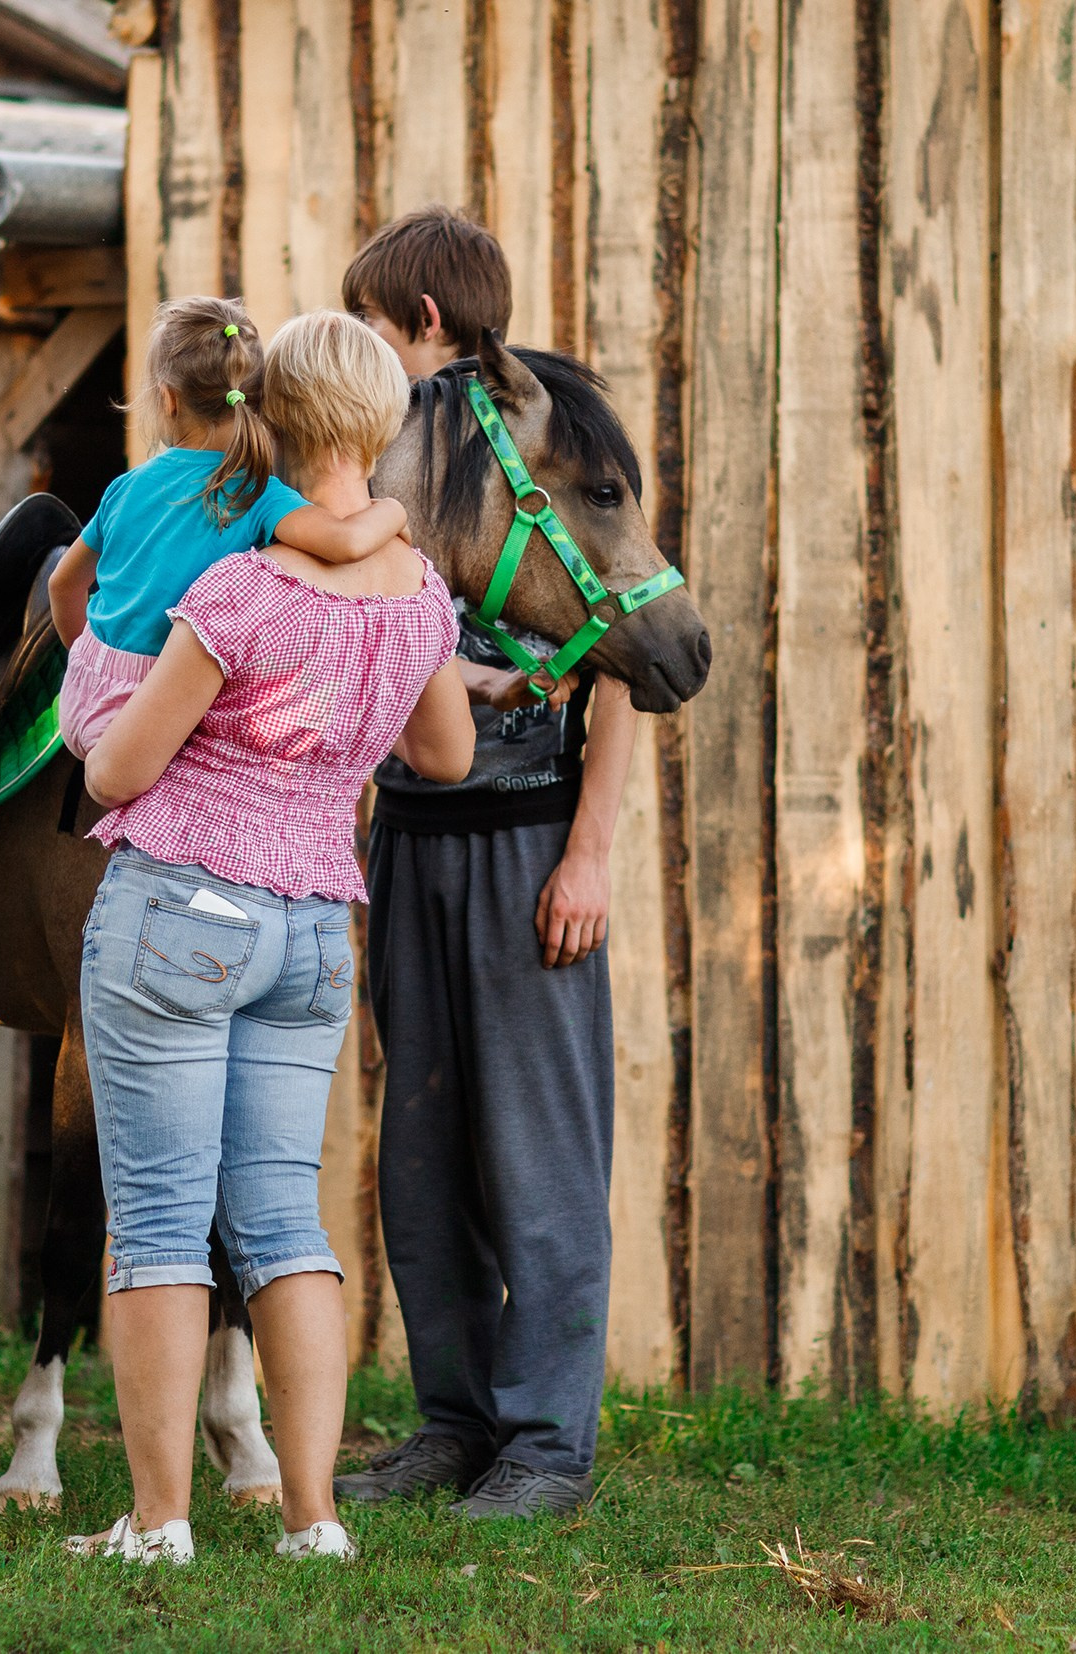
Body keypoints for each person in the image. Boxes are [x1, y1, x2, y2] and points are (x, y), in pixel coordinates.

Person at [64, 313, 477, 1564]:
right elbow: (445, 755)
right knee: (284, 1221)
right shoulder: (417, 594)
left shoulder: (237, 589)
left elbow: (115, 773)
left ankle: (159, 1521)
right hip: (311, 930)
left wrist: (96, 726)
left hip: (180, 912)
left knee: (155, 1220)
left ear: (268, 421)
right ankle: (313, 1518)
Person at [334, 206, 641, 1519]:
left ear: (424, 325)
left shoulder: (562, 447)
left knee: (540, 1159)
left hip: (528, 852)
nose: (359, 344)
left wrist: (589, 855)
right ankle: (452, 1422)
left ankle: (547, 1448)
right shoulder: (378, 454)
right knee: (424, 1154)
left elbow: (626, 655)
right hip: (411, 840)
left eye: (369, 322)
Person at [49, 295, 411, 755]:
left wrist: (91, 662)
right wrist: (395, 511)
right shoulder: (258, 495)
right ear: (258, 400)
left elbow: (64, 584)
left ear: (167, 398)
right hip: (156, 709)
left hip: (85, 691)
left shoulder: (126, 486)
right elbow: (348, 542)